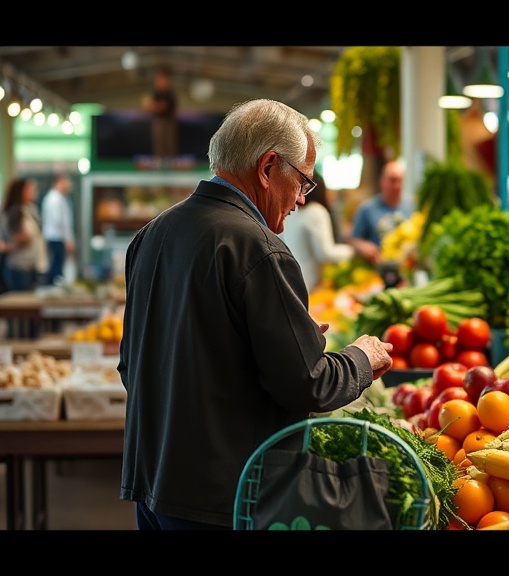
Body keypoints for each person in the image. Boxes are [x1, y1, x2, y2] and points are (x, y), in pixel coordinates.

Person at [117, 98, 395, 530]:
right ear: (268, 168)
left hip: (153, 485)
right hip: (224, 498)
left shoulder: (152, 235)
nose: (302, 199)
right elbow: (308, 385)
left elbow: (135, 363)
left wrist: (285, 343)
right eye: (303, 181)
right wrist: (362, 358)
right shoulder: (258, 248)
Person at [277, 170, 355, 293]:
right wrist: (353, 251)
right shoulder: (316, 211)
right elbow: (325, 253)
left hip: (291, 281)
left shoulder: (292, 211)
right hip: (312, 285)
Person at [349, 160, 412, 266]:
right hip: (376, 271)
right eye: (392, 180)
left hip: (406, 270)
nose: (396, 186)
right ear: (382, 181)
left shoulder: (412, 206)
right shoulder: (367, 209)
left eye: (399, 181)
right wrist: (363, 246)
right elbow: (353, 240)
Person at [1, 177, 48, 293]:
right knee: (22, 302)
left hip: (32, 264)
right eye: (30, 189)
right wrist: (26, 237)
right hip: (19, 265)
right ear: (21, 191)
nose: (33, 192)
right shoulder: (15, 211)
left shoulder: (29, 209)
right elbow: (18, 236)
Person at [40, 173, 76, 285]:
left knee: (58, 266)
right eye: (66, 183)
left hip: (57, 237)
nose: (68, 186)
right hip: (55, 237)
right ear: (58, 183)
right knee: (55, 269)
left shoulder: (59, 198)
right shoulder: (54, 199)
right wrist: (68, 239)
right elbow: (59, 222)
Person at [141, 67, 178, 167]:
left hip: (168, 122)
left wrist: (152, 105)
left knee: (169, 145)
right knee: (159, 145)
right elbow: (150, 108)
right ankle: (159, 164)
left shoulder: (169, 94)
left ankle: (171, 165)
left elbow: (162, 107)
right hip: (158, 122)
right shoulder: (156, 93)